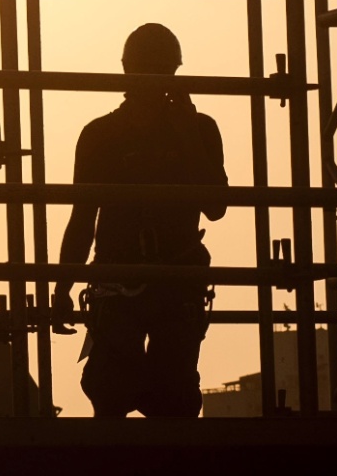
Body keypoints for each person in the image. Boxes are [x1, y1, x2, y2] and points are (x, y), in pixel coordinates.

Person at [51, 23, 227, 418]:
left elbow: (215, 205)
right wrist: (62, 287)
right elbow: (82, 218)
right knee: (112, 388)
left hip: (172, 279)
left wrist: (186, 135)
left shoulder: (197, 130)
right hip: (123, 279)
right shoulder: (101, 135)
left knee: (173, 396)